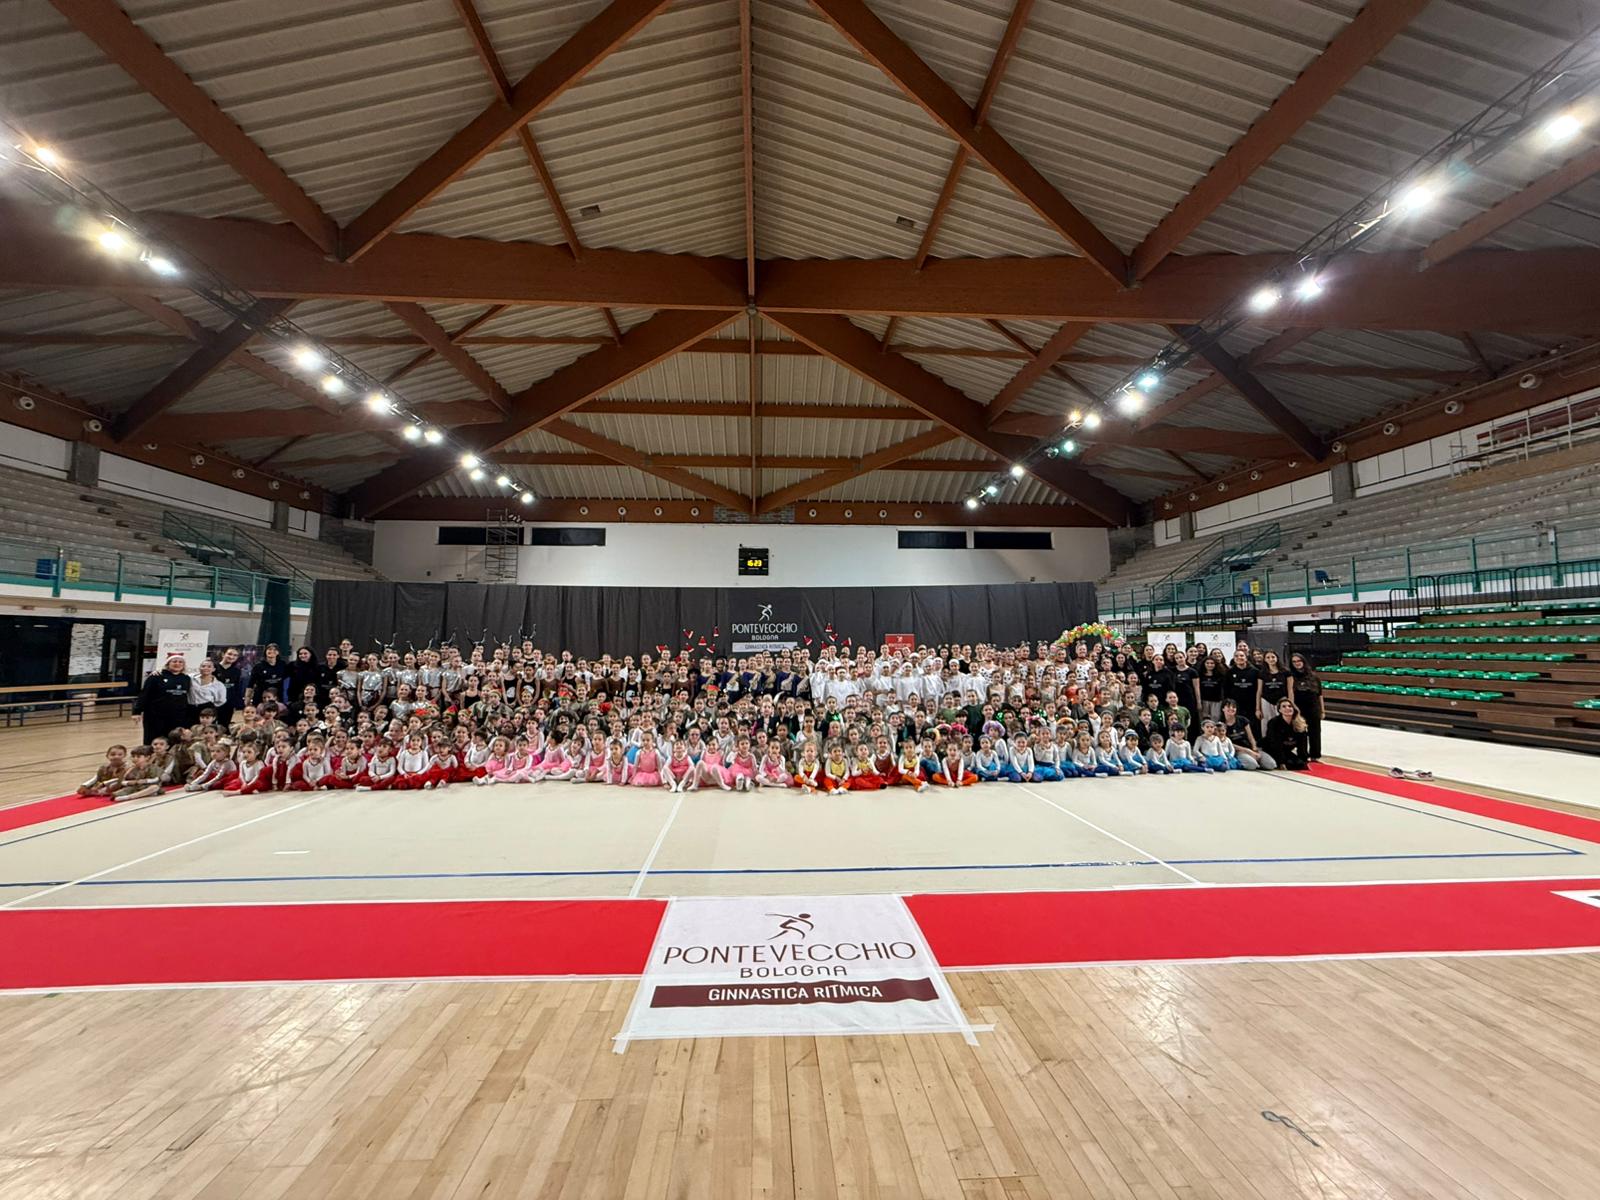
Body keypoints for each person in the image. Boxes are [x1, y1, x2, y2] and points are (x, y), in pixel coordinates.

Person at [134, 655, 193, 746]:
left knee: (173, 740)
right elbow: (144, 694)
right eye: (174, 661)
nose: (177, 664)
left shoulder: (186, 678)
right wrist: (137, 711)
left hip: (177, 716)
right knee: (153, 739)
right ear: (168, 664)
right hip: (155, 716)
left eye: (180, 662)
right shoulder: (156, 676)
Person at [1287, 652, 1325, 762]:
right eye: (1294, 662)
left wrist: (1322, 710)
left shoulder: (1314, 677)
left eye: (1299, 661)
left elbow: (1320, 695)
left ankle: (1315, 755)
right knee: (1301, 732)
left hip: (1313, 707)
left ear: (1303, 661)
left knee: (1315, 732)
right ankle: (1302, 755)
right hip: (1299, 708)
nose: (1297, 663)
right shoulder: (1290, 677)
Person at [1263, 699, 1312, 771]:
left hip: (1286, 750)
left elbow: (1303, 744)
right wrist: (1281, 762)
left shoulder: (1300, 723)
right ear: (1279, 710)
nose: (1287, 708)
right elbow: (1275, 744)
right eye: (1284, 706)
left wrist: (1304, 760)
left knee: (1299, 764)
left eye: (1290, 706)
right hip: (1271, 749)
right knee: (1287, 764)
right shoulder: (1274, 722)